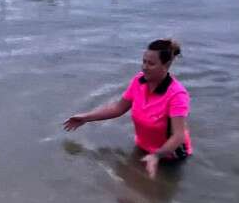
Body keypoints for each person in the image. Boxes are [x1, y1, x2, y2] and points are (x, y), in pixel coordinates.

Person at [63, 39, 192, 178]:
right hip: (143, 148)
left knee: (155, 196)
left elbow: (178, 136)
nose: (144, 67)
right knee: (128, 185)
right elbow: (118, 108)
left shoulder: (177, 94)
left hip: (170, 157)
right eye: (144, 61)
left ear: (165, 65)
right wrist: (86, 117)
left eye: (151, 64)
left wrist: (156, 156)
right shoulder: (139, 81)